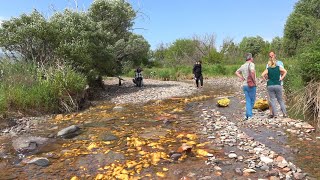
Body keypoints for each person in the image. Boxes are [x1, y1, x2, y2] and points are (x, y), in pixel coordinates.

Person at [235, 53, 257, 120]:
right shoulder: (252, 64)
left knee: (248, 100)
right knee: (252, 100)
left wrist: (242, 78)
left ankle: (247, 115)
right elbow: (252, 72)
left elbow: (236, 72)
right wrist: (254, 82)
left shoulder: (243, 65)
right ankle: (249, 115)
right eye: (252, 57)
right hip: (251, 84)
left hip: (244, 85)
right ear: (250, 58)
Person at [266, 52, 284, 117]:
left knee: (280, 99)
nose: (271, 57)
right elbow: (267, 73)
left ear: (275, 55)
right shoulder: (268, 64)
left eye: (272, 56)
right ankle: (271, 113)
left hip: (279, 83)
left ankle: (283, 113)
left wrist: (280, 78)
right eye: (270, 56)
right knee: (270, 99)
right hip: (271, 83)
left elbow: (283, 72)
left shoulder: (280, 63)